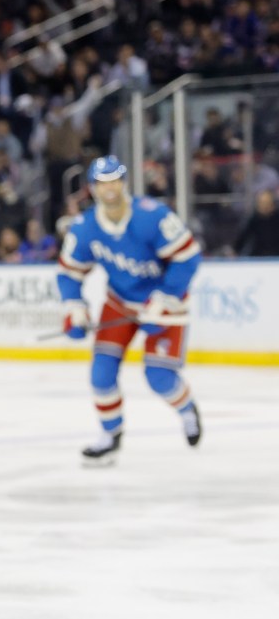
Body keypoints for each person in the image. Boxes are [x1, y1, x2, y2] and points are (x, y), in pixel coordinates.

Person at [57, 155, 203, 464]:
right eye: (102, 183)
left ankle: (187, 410)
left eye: (114, 181)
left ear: (124, 183)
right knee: (101, 373)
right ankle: (110, 436)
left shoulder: (153, 216)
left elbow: (187, 257)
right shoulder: (85, 227)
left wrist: (165, 298)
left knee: (159, 377)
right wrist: (75, 308)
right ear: (93, 188)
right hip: (120, 302)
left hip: (165, 303)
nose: (109, 189)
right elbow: (69, 272)